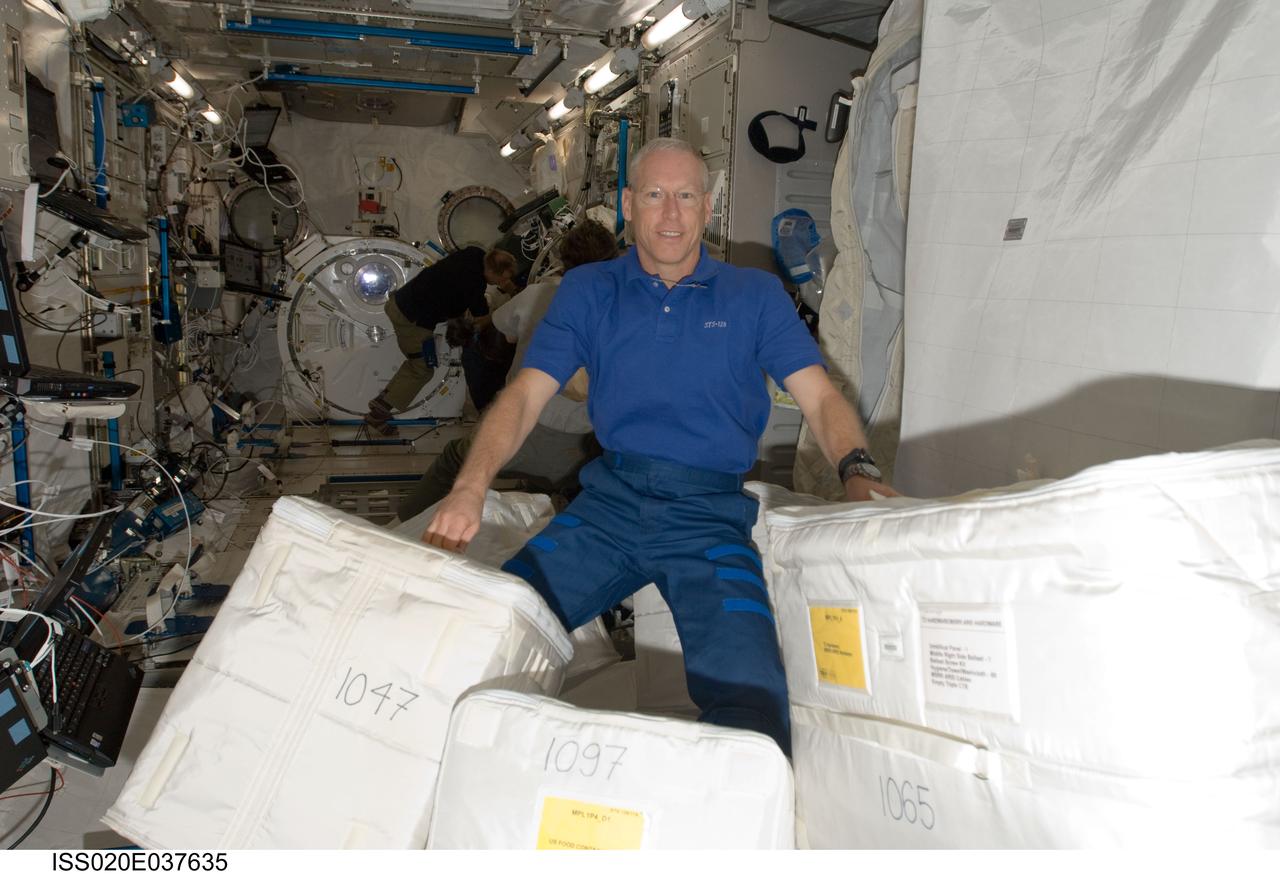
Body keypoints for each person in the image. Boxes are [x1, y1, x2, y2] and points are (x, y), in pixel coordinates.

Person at [424, 138, 898, 756]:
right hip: (607, 508)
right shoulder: (589, 290)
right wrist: (469, 487)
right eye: (654, 195)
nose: (671, 214)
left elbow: (820, 397)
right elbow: (524, 396)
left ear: (707, 206)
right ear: (628, 205)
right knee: (484, 637)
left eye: (685, 196)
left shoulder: (754, 295)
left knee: (753, 709)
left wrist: (858, 470)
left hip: (709, 518)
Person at [396, 219, 618, 521]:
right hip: (584, 448)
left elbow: (497, 338)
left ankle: (399, 525)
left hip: (519, 434)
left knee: (452, 461)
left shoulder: (538, 294)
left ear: (563, 260)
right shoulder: (627, 308)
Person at [363, 244, 518, 434]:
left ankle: (381, 405)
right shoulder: (474, 286)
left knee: (416, 364)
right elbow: (482, 318)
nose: (501, 283)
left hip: (400, 304)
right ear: (493, 271)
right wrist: (508, 302)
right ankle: (378, 414)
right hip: (411, 320)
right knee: (422, 368)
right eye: (502, 278)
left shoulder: (473, 253)